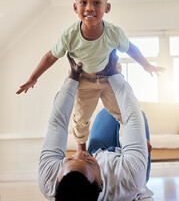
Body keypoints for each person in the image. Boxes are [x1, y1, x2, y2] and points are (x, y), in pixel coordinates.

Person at [16, 0, 164, 151]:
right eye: (84, 2)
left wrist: (146, 65)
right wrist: (34, 77)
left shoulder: (114, 33)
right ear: (75, 7)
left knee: (125, 110)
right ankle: (81, 150)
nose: (89, 8)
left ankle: (138, 139)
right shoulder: (69, 35)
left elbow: (130, 48)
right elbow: (51, 56)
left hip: (110, 78)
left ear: (107, 7)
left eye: (96, 2)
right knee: (81, 117)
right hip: (85, 80)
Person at [38, 52, 154, 201]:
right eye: (87, 161)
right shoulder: (130, 181)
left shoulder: (48, 180)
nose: (80, 154)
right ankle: (132, 152)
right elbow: (132, 117)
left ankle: (104, 158)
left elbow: (57, 124)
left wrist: (73, 78)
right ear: (101, 184)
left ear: (57, 180)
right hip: (125, 168)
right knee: (139, 115)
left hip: (99, 151)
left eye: (69, 159)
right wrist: (114, 75)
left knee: (107, 112)